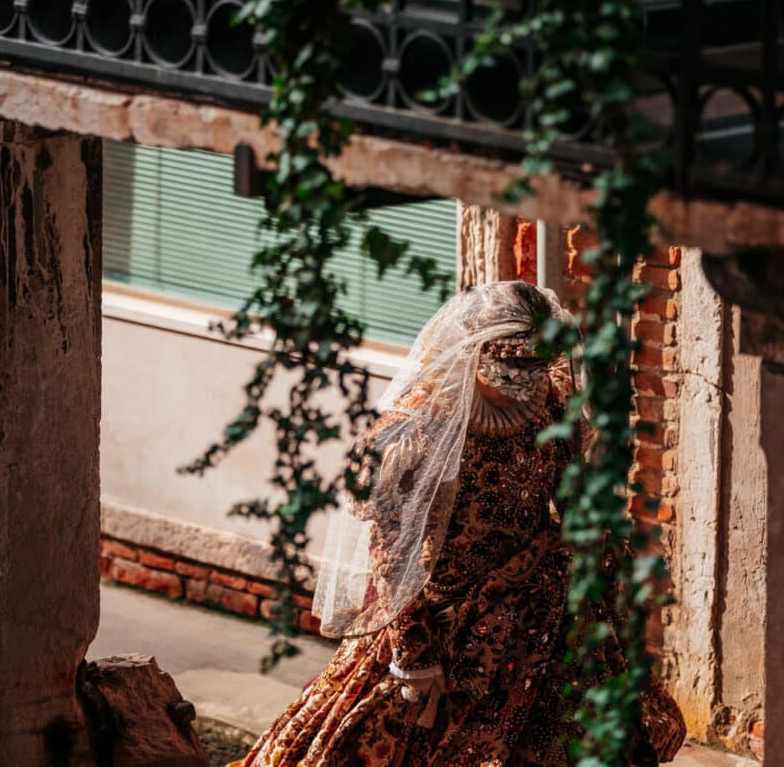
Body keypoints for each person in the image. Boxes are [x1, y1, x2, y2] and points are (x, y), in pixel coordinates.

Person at [233, 281, 685, 767]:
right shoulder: (424, 422)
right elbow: (393, 544)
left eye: (537, 365)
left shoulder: (550, 406)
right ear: (475, 348)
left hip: (541, 602)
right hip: (444, 613)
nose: (524, 378)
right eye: (511, 363)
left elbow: (571, 503)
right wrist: (413, 651)